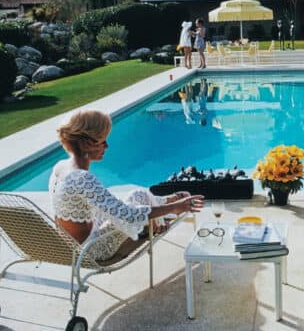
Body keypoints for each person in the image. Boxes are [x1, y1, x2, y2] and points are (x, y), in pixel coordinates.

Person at [49, 110, 204, 261]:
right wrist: (175, 207)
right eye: (102, 141)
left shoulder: (60, 167)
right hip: (91, 250)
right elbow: (128, 215)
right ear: (86, 144)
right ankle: (167, 210)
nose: (107, 146)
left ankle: (162, 208)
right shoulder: (82, 178)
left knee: (138, 194)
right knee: (134, 209)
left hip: (74, 242)